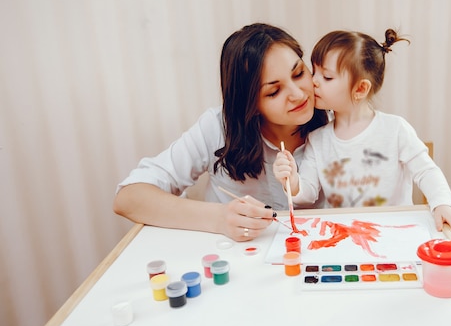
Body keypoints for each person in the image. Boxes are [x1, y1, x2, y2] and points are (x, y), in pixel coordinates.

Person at [113, 23, 328, 241]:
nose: (298, 94)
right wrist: (219, 218)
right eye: (274, 91)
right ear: (249, 103)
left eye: (299, 73)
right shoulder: (218, 127)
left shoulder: (340, 122)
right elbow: (129, 198)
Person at [273, 29, 451, 234]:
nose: (314, 81)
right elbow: (308, 195)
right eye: (314, 72)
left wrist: (442, 203)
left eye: (326, 77)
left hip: (393, 234)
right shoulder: (317, 139)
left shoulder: (395, 130)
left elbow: (426, 171)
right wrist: (292, 182)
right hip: (342, 237)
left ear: (360, 89)